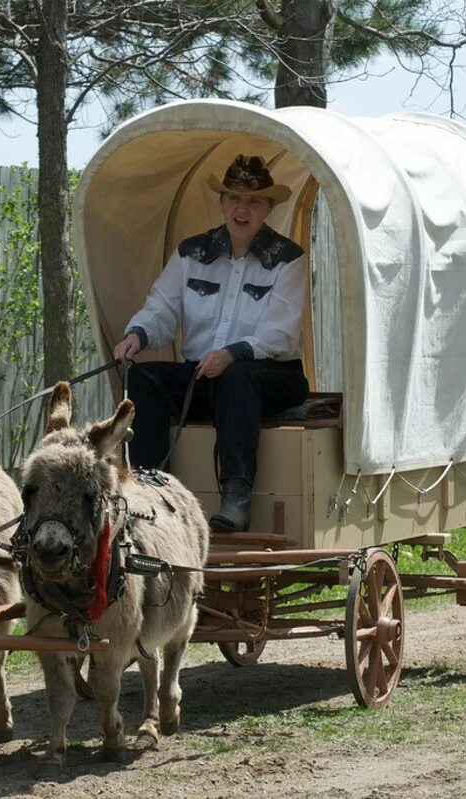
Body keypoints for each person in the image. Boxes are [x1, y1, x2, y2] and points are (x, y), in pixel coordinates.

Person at [113, 154, 309, 532]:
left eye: (254, 201)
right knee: (144, 380)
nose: (242, 209)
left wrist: (232, 353)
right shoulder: (193, 254)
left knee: (239, 378)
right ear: (221, 204)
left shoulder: (287, 259)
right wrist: (137, 334)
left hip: (270, 375)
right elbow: (162, 308)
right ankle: (151, 490)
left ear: (268, 208)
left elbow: (279, 332)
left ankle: (236, 496)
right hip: (205, 373)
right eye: (234, 198)